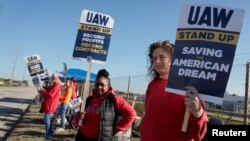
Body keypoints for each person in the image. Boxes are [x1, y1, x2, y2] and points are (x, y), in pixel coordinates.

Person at [139, 40, 208, 141]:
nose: (157, 61)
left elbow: (199, 134)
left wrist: (199, 114)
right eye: (154, 59)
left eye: (162, 57)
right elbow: (149, 115)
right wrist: (143, 129)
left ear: (174, 59)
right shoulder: (152, 85)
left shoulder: (189, 87)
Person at [74, 69, 136, 141]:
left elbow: (132, 114)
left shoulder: (114, 100)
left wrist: (116, 129)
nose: (99, 87)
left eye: (102, 85)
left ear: (108, 86)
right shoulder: (88, 100)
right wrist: (79, 116)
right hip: (82, 136)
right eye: (97, 84)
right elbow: (76, 120)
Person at [38, 73, 62, 139]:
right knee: (48, 119)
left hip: (50, 105)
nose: (51, 80)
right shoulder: (56, 85)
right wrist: (44, 89)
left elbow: (51, 95)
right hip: (50, 104)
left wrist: (43, 91)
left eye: (52, 78)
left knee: (47, 120)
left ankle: (48, 133)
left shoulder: (57, 86)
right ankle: (50, 132)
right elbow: (50, 90)